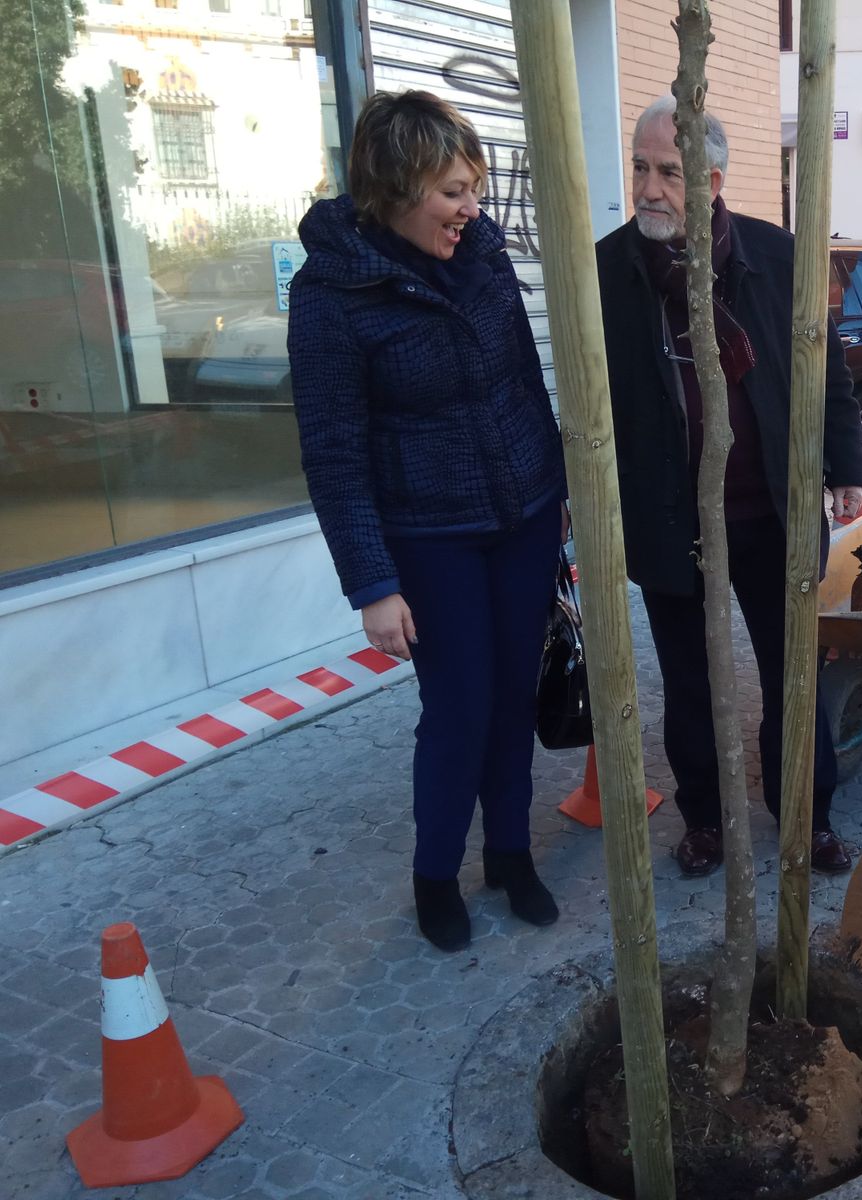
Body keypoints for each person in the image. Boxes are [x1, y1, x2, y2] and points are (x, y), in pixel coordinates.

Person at [288, 91, 567, 953]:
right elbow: (333, 450)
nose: (472, 209)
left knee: (514, 696)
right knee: (459, 708)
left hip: (520, 520)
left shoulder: (482, 257)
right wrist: (373, 584)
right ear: (398, 187)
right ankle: (436, 873)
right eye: (453, 191)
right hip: (429, 535)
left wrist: (557, 506)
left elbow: (525, 383)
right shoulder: (331, 294)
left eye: (475, 188)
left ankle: (511, 855)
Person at [594, 97, 862, 877]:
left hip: (773, 517)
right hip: (669, 521)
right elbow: (589, 403)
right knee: (688, 685)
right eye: (641, 168)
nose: (649, 187)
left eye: (669, 172)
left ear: (710, 180)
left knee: (794, 680)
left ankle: (805, 818)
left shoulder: (776, 258)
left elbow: (825, 374)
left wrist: (846, 465)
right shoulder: (608, 271)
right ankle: (706, 819)